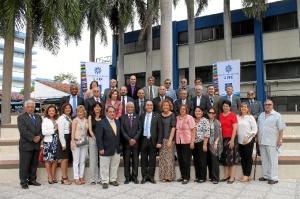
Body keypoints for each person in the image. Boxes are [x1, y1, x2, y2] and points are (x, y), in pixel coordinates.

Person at [257, 99, 286, 185]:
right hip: (262, 141)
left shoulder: (277, 115)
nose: (267, 106)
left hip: (272, 141)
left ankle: (274, 177)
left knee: (273, 160)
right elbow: (259, 127)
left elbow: (281, 129)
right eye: (266, 104)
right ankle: (266, 176)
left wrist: (280, 140)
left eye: (269, 104)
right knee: (265, 160)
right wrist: (257, 138)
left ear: (272, 105)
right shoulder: (261, 115)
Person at [17, 100, 43, 189]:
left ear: (34, 108)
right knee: (24, 164)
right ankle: (23, 182)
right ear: (25, 108)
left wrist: (39, 137)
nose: (30, 108)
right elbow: (23, 130)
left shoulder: (38, 117)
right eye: (28, 107)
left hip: (36, 145)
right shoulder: (21, 117)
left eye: (32, 107)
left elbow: (42, 129)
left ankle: (32, 180)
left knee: (34, 164)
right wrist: (33, 138)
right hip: (26, 145)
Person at [95, 105, 121, 189]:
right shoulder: (101, 123)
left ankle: (113, 179)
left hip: (116, 148)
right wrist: (101, 148)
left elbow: (118, 136)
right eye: (110, 111)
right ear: (106, 112)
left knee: (114, 165)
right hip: (105, 149)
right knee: (104, 166)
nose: (112, 113)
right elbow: (99, 137)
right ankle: (104, 181)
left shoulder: (117, 122)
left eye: (113, 112)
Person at [140, 100, 163, 184]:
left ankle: (151, 176)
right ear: (145, 106)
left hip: (153, 141)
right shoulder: (141, 116)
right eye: (148, 105)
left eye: (151, 105)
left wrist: (159, 142)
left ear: (153, 107)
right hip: (144, 140)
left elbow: (160, 130)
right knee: (143, 159)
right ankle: (144, 176)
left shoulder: (157, 116)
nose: (149, 107)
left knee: (152, 159)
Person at [120, 102, 141, 184]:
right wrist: (129, 140)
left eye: (131, 107)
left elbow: (140, 129)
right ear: (126, 108)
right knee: (127, 161)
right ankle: (127, 177)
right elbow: (122, 130)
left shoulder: (138, 117)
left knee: (135, 160)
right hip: (126, 143)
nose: (130, 108)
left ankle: (135, 177)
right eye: (128, 107)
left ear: (134, 108)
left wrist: (134, 139)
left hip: (136, 143)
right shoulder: (122, 118)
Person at [219, 100, 240, 184]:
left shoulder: (233, 115)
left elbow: (235, 128)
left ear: (230, 107)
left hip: (231, 138)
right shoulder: (220, 115)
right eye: (224, 106)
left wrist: (232, 140)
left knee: (232, 158)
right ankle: (226, 175)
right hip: (223, 139)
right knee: (225, 157)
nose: (225, 107)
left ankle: (232, 177)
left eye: (227, 106)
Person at [175, 104, 196, 184]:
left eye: (184, 109)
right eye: (181, 109)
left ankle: (187, 177)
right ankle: (182, 175)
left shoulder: (189, 118)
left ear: (186, 110)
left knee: (186, 159)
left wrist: (192, 141)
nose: (182, 110)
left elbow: (193, 129)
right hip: (178, 141)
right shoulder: (177, 118)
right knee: (180, 159)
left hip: (187, 141)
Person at [237, 102, 258, 182]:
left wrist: (248, 136)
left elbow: (255, 129)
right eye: (242, 107)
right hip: (239, 140)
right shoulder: (237, 117)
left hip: (248, 140)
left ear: (248, 109)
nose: (243, 108)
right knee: (242, 158)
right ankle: (244, 174)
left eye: (245, 107)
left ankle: (247, 175)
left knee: (248, 157)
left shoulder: (250, 117)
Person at [159, 100, 176, 182]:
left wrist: (170, 139)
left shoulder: (172, 115)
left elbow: (173, 127)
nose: (165, 107)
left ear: (170, 106)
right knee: (163, 158)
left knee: (169, 158)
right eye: (164, 105)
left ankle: (170, 176)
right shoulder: (160, 115)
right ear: (162, 107)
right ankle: (164, 176)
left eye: (167, 105)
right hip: (161, 139)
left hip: (169, 139)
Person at [71, 105, 88, 185]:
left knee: (82, 160)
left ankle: (81, 176)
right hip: (76, 141)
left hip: (84, 142)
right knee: (76, 161)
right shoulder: (75, 120)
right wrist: (72, 142)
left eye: (81, 112)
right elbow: (73, 131)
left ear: (83, 112)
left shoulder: (86, 120)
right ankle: (76, 177)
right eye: (78, 112)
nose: (79, 113)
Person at [42, 105, 59, 184]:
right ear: (47, 112)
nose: (51, 112)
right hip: (48, 142)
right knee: (48, 160)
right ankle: (49, 176)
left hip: (56, 142)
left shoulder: (57, 120)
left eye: (53, 110)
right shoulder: (45, 120)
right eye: (50, 111)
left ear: (55, 112)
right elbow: (44, 132)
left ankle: (53, 175)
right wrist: (54, 130)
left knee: (55, 159)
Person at [193, 106, 210, 183]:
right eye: (196, 111)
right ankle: (198, 176)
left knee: (202, 160)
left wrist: (205, 144)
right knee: (196, 160)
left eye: (199, 111)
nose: (197, 112)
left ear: (202, 112)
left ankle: (202, 177)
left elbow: (207, 132)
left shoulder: (205, 120)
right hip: (194, 142)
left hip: (201, 142)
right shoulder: (193, 120)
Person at [57, 103, 73, 185]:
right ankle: (64, 178)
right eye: (66, 108)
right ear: (63, 109)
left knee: (67, 159)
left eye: (69, 108)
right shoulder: (61, 118)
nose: (68, 109)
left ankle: (65, 176)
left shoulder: (69, 118)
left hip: (70, 138)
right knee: (64, 159)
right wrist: (63, 144)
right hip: (64, 139)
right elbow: (61, 132)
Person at [87, 102, 102, 185]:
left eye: (98, 107)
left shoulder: (103, 117)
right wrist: (94, 136)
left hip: (102, 140)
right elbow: (90, 129)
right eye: (95, 107)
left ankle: (100, 178)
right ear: (93, 108)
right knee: (93, 159)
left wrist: (100, 138)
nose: (97, 108)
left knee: (101, 159)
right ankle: (93, 179)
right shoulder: (90, 117)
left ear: (100, 108)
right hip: (92, 139)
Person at [207, 108, 223, 184]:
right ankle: (211, 176)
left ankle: (216, 178)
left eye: (213, 113)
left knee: (214, 161)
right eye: (210, 113)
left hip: (214, 144)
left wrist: (216, 143)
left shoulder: (217, 122)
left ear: (215, 114)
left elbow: (219, 134)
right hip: (207, 143)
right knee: (209, 161)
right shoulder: (206, 121)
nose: (211, 114)